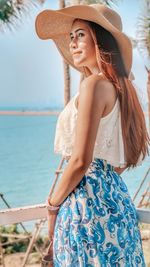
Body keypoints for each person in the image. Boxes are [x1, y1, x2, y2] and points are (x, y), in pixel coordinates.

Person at [35, 4, 149, 266]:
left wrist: (53, 206)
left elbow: (80, 161)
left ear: (99, 39)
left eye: (81, 35)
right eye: (71, 37)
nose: (73, 43)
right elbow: (119, 162)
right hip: (116, 202)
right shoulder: (122, 89)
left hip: (86, 208)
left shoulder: (94, 85)